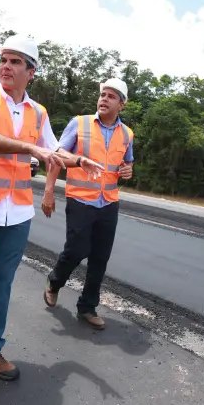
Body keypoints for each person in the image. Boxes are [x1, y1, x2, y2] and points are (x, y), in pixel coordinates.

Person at [0, 35, 102, 381]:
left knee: (2, 282)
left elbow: (54, 151)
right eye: (4, 60)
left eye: (15, 62)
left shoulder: (38, 112)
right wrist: (33, 149)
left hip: (17, 213)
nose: (6, 66)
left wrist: (80, 159)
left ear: (31, 72)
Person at [42, 78, 135, 330]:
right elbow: (57, 156)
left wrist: (127, 171)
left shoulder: (127, 134)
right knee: (77, 248)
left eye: (111, 96)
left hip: (109, 203)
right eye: (103, 94)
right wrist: (49, 191)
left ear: (121, 105)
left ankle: (87, 307)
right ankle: (55, 281)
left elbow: (127, 165)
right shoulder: (80, 123)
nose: (104, 98)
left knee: (100, 257)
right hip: (81, 199)